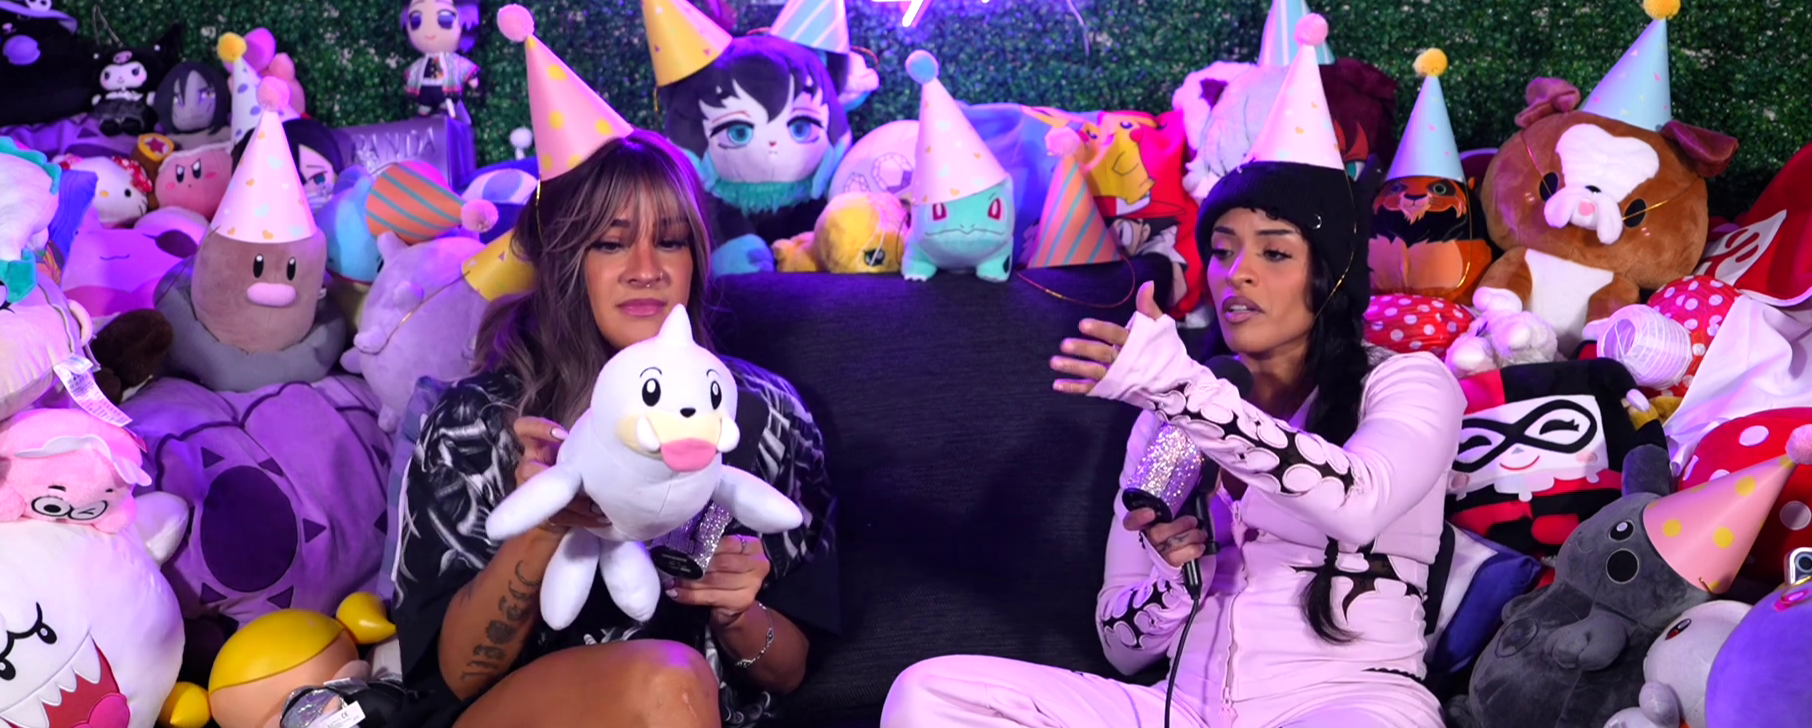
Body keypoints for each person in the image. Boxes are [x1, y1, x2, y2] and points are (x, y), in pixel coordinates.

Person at [882, 159, 1466, 728]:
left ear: (1332, 274)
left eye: (1274, 253)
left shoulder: (1409, 381)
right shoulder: (1166, 419)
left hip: (1350, 702)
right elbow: (1120, 648)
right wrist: (1173, 578)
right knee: (929, 694)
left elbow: (1361, 503)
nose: (1237, 273)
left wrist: (1183, 392)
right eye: (1222, 250)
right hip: (1182, 708)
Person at [391, 131, 838, 728]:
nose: (646, 270)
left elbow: (789, 672)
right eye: (610, 243)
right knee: (667, 681)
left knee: (675, 685)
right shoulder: (475, 424)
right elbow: (456, 679)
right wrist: (543, 524)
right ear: (566, 262)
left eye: (670, 242)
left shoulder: (765, 415)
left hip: (696, 712)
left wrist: (739, 614)